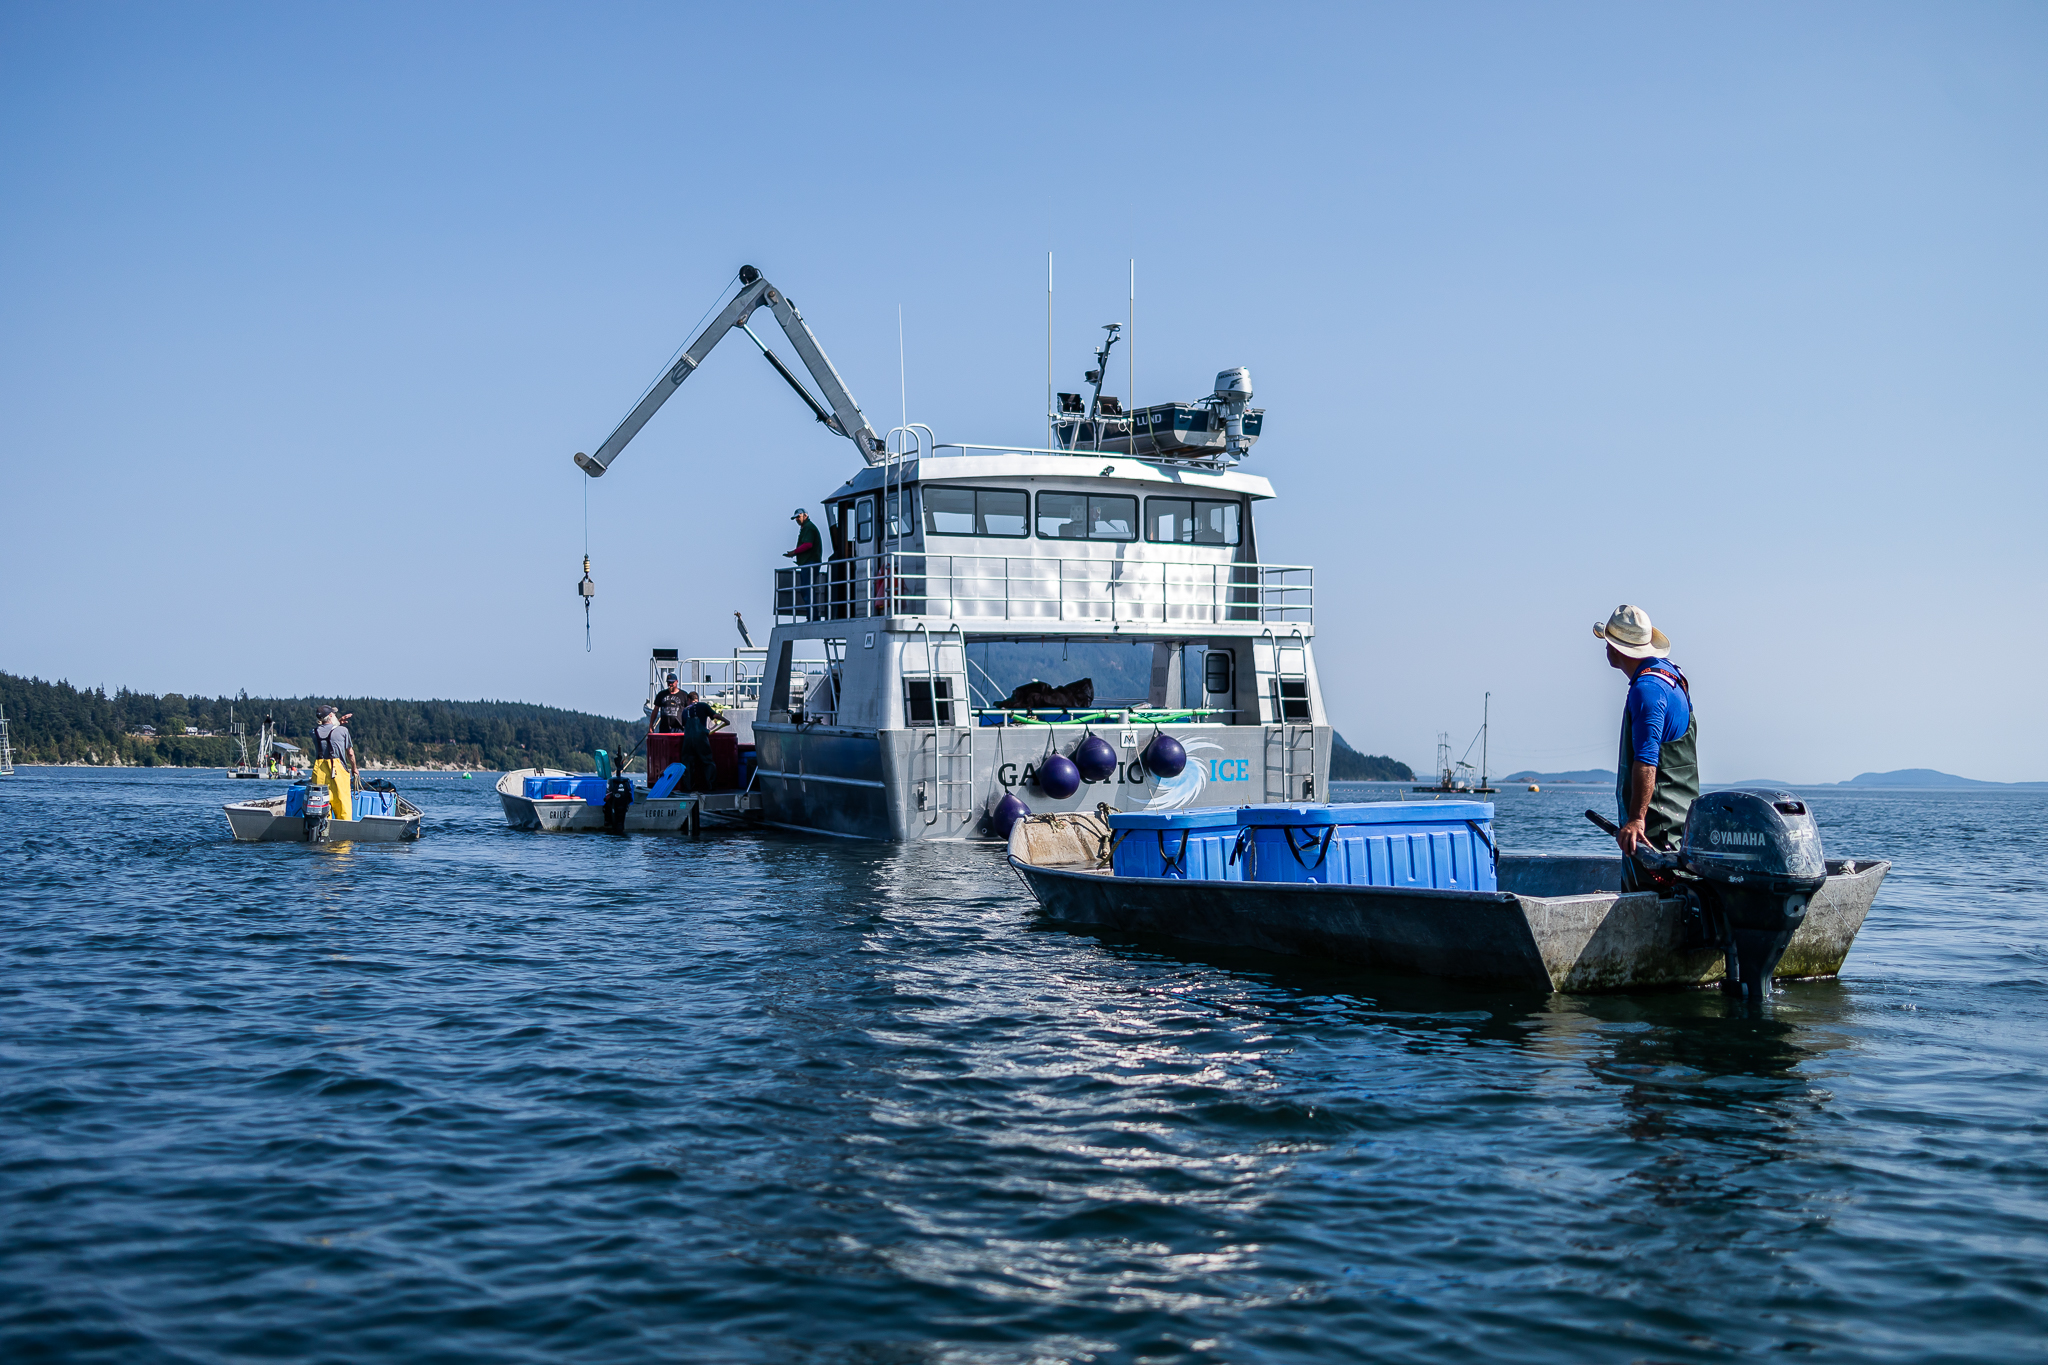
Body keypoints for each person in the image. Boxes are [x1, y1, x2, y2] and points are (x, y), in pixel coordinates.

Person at [1594, 604, 1698, 881]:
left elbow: (1647, 760)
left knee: (1649, 898)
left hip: (1654, 833)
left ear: (1615, 649)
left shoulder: (1646, 690)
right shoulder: (1672, 675)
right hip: (1682, 824)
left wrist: (1636, 819)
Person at [312, 705, 360, 823]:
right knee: (343, 807)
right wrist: (354, 768)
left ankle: (322, 831)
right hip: (338, 772)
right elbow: (350, 753)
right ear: (331, 716)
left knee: (322, 808)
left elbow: (326, 730)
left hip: (320, 772)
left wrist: (337, 722)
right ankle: (344, 832)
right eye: (334, 714)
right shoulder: (343, 730)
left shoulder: (313, 732)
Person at [680, 690, 728, 792]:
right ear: (697, 699)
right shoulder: (703, 706)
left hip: (687, 740)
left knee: (687, 763)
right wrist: (726, 721)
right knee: (707, 761)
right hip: (701, 738)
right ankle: (711, 786)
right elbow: (715, 716)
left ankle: (688, 788)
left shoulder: (685, 710)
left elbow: (684, 724)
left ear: (689, 700)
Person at [784, 508, 822, 620]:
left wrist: (794, 552)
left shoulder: (808, 527)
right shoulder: (807, 527)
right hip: (809, 562)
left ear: (805, 516)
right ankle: (812, 615)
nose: (797, 519)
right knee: (808, 589)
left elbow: (808, 544)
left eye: (798, 517)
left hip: (810, 562)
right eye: (795, 518)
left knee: (807, 589)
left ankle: (813, 616)